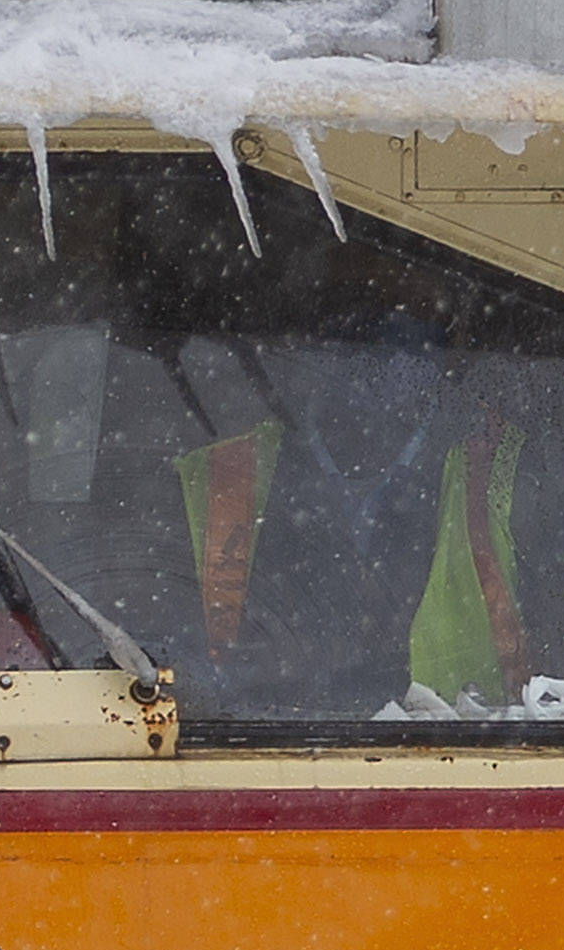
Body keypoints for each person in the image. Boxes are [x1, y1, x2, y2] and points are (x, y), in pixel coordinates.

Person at [167, 298, 544, 714]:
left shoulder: (516, 479)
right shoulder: (223, 478)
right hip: (257, 759)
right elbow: (164, 664)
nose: (368, 373)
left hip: (477, 765)